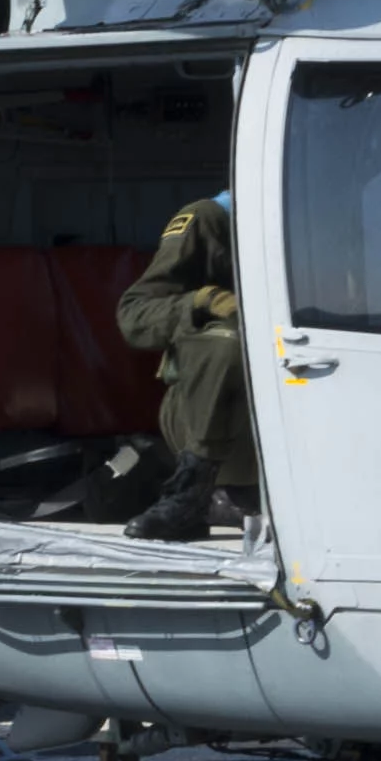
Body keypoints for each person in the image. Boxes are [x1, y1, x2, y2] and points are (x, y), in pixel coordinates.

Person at [113, 186, 256, 542]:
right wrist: (202, 301)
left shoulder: (319, 220)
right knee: (227, 339)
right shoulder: (211, 220)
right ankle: (189, 494)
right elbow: (134, 315)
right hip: (209, 421)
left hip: (293, 420)